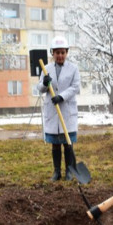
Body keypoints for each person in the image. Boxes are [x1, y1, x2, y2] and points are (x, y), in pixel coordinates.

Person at [37, 36, 80, 181]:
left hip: (67, 110)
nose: (60, 55)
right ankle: (57, 172)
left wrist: (61, 97)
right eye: (57, 52)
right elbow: (40, 88)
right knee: (55, 144)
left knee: (68, 143)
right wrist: (44, 83)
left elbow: (75, 87)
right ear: (53, 54)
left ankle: (69, 171)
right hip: (52, 112)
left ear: (66, 53)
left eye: (63, 52)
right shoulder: (46, 69)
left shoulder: (73, 69)